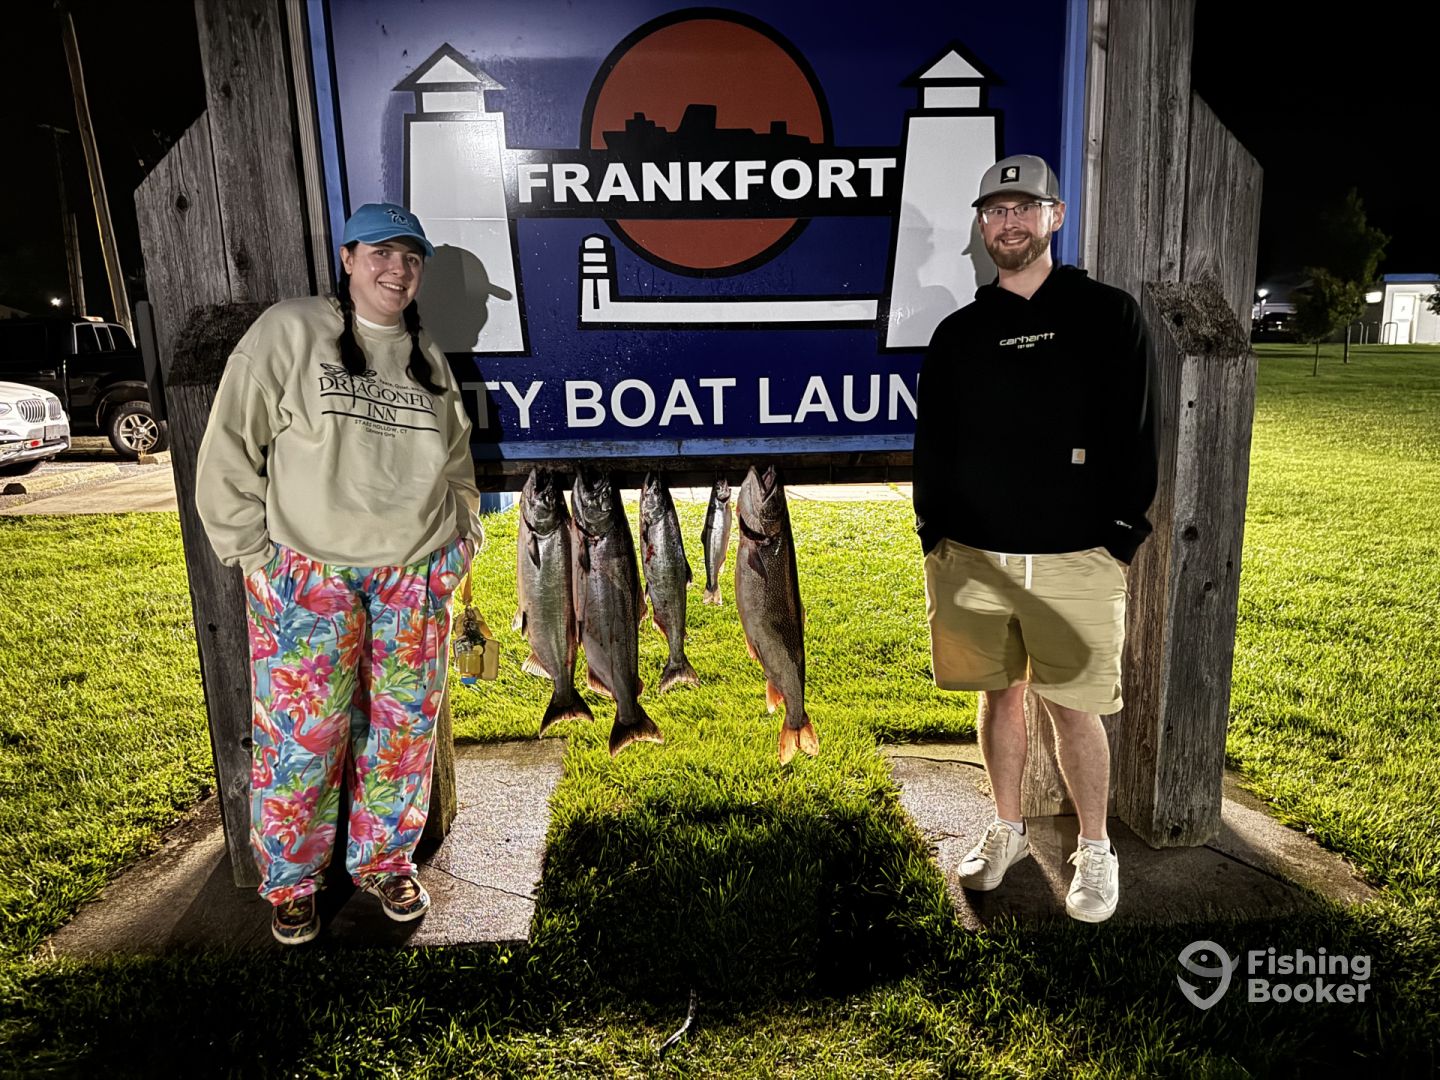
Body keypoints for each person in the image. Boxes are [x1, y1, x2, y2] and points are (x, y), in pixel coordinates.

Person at [195, 203, 482, 944]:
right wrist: (255, 555)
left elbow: (456, 464)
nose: (397, 270)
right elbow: (229, 450)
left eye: (411, 258)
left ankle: (386, 861)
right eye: (381, 253)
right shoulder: (290, 331)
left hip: (413, 577)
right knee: (302, 738)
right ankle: (292, 882)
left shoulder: (426, 354)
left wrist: (461, 540)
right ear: (348, 258)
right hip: (309, 576)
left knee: (403, 731)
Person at [912, 154, 1158, 923]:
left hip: (1076, 555)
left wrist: (1118, 534)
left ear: (1055, 217)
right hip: (974, 557)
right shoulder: (959, 333)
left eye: (1025, 208)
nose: (1009, 222)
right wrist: (934, 531)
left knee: (1075, 708)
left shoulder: (1108, 315)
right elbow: (934, 442)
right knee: (999, 697)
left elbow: (1137, 433)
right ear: (981, 227)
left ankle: (1095, 847)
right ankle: (1009, 828)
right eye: (996, 210)